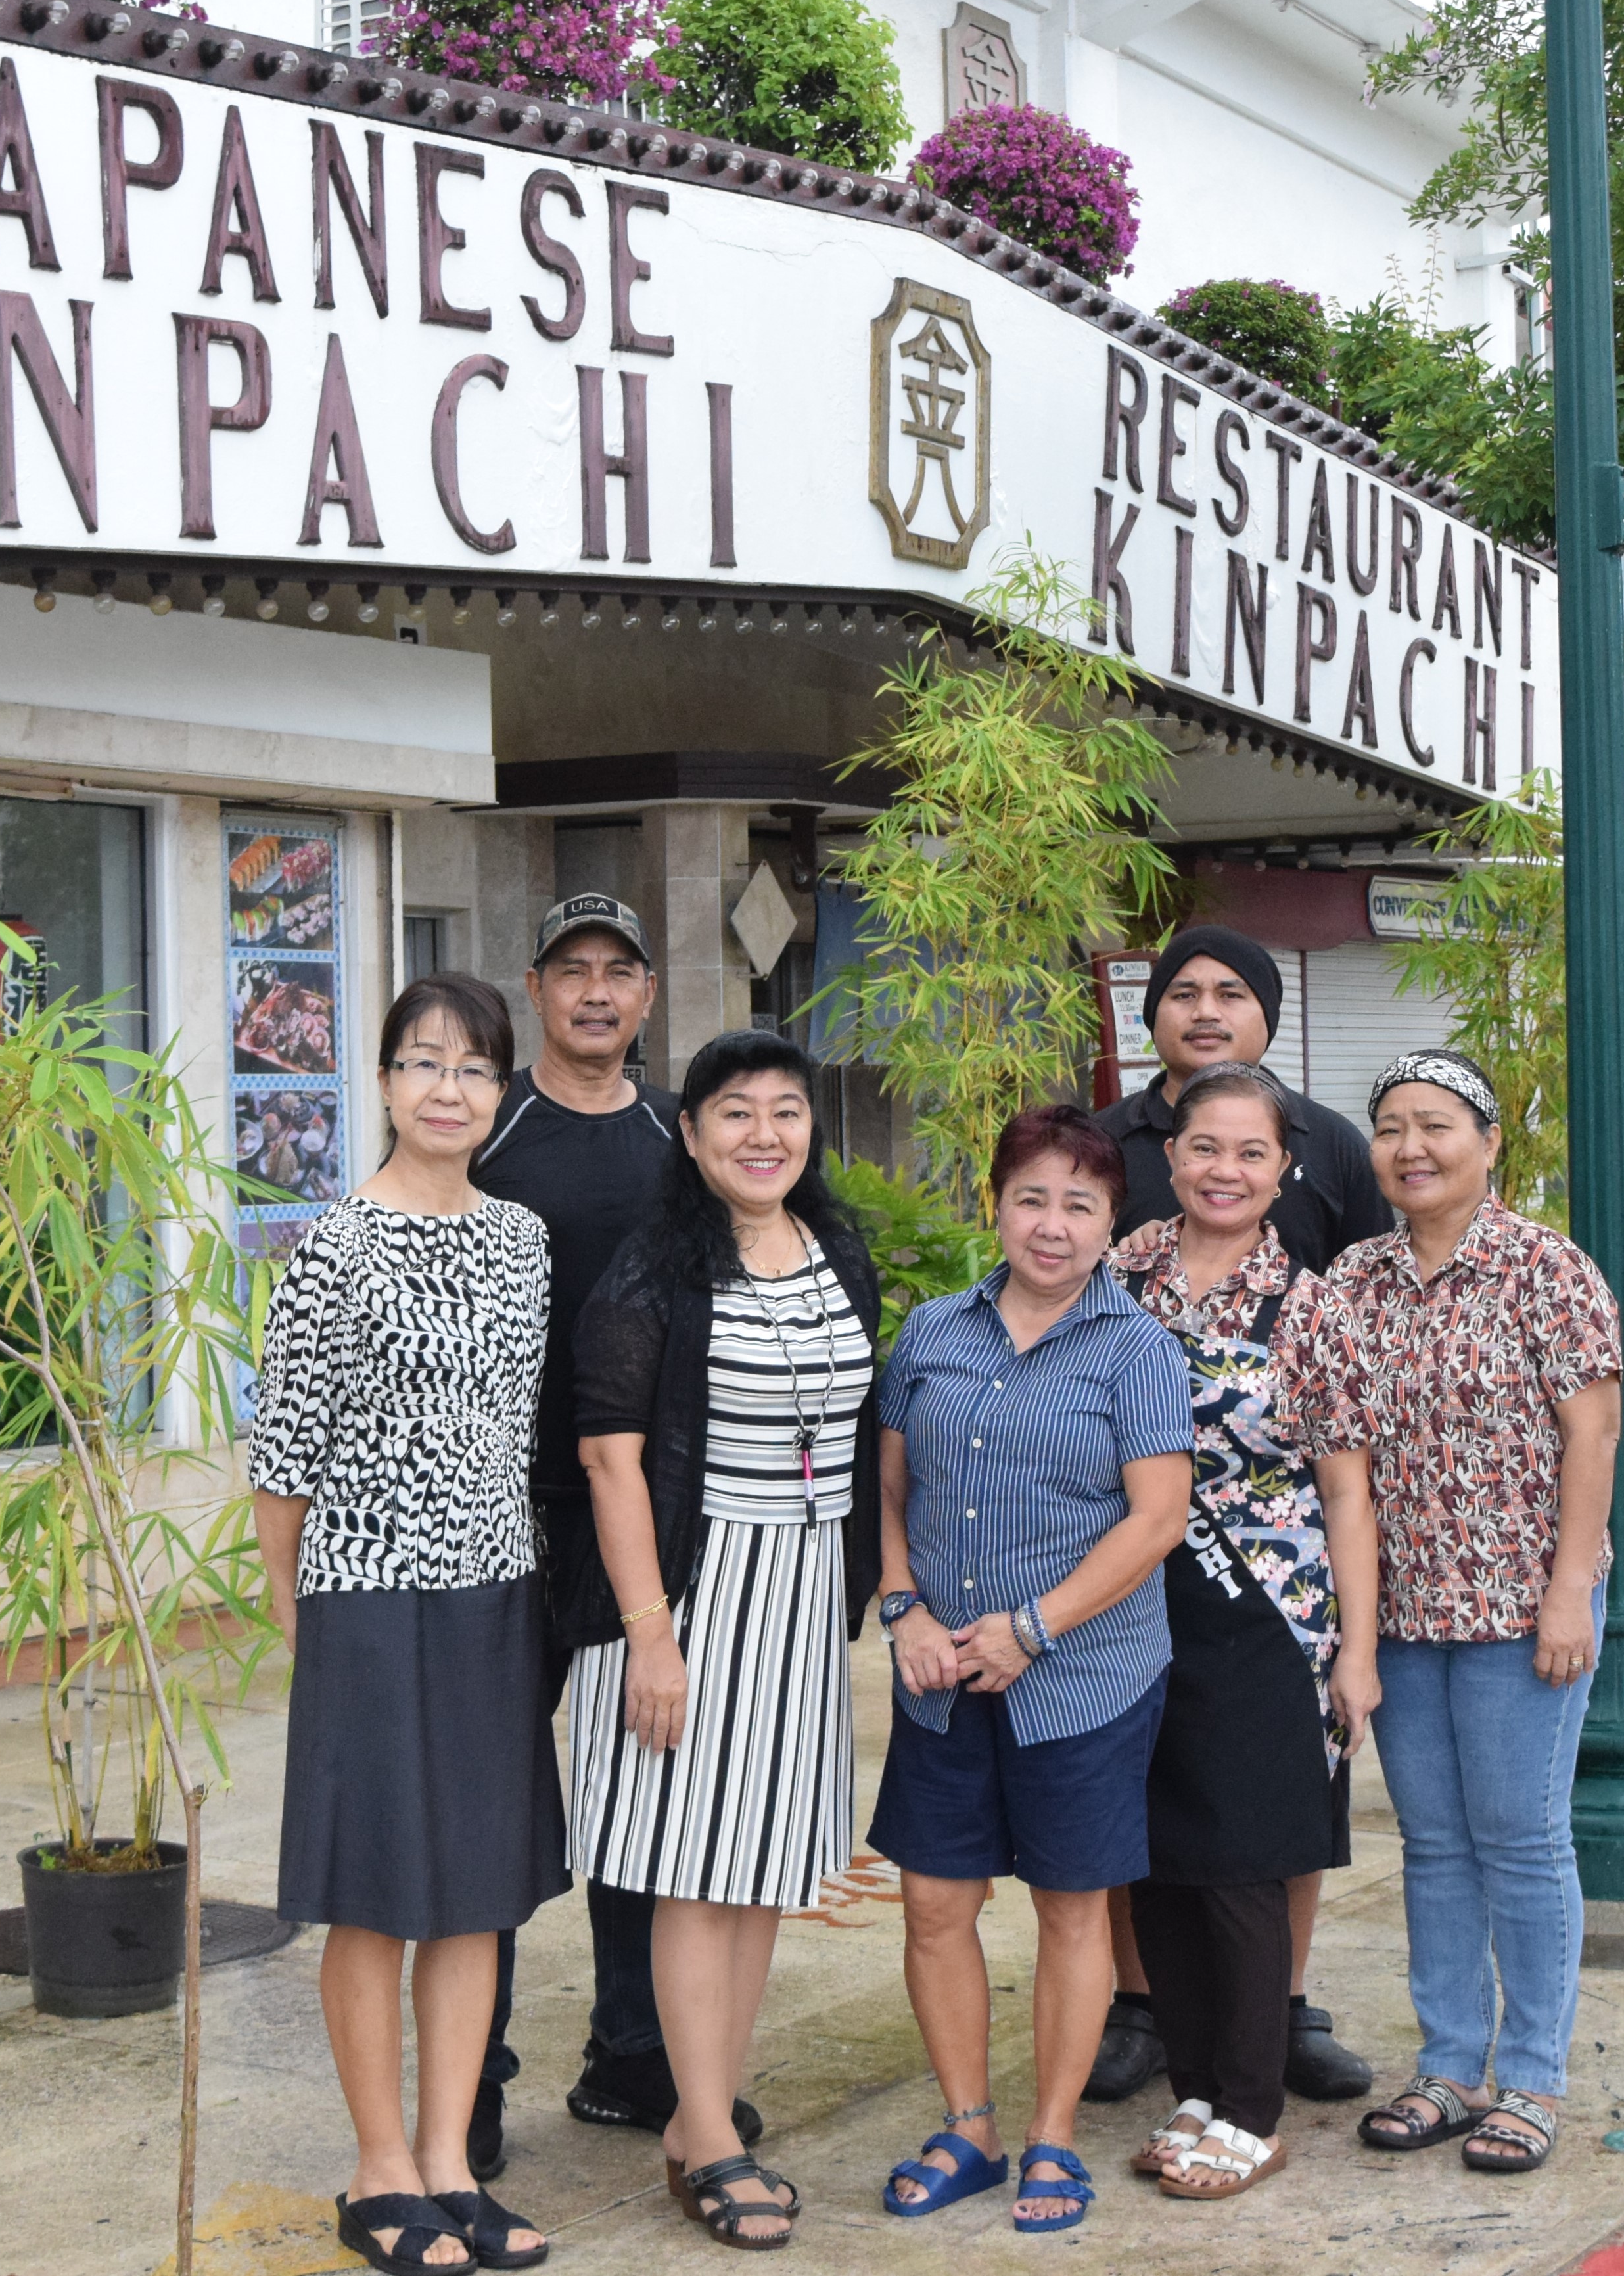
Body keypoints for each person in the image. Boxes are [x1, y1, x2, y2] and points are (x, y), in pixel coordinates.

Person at [250, 975, 565, 2275]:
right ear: (381, 1083)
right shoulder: (333, 1244)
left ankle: (449, 2161)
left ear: (501, 1093)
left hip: (495, 1592)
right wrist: (298, 1620)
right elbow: (284, 1455)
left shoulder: (525, 1239)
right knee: (375, 1894)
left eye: (477, 1068)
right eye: (426, 1062)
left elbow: (519, 1428)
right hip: (367, 1597)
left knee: (477, 1896)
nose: (451, 1088)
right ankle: (379, 2166)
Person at [568, 1030, 886, 2249]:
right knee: (694, 1868)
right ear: (690, 1134)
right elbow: (611, 1459)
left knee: (760, 1870)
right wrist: (650, 1634)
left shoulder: (834, 1249)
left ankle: (702, 2117)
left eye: (786, 1111)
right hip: (693, 1597)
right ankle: (707, 2129)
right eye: (735, 1113)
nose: (765, 1134)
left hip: (802, 1593)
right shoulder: (656, 1266)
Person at [465, 896, 762, 2178]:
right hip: (507, 1508)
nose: (596, 991)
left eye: (619, 973)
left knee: (648, 1785)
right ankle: (470, 2077)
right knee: (488, 1791)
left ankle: (634, 2054)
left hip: (645, 1509)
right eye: (572, 970)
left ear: (647, 997)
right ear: (535, 988)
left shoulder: (674, 1134)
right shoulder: (493, 1129)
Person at [866, 1104, 1194, 2235]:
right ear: (994, 1203)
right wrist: (902, 1604)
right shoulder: (931, 1333)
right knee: (932, 1902)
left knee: (1071, 1906)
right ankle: (969, 2124)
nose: (1050, 1226)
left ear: (1113, 1223)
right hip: (939, 1667)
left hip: (1084, 1675)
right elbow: (891, 1487)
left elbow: (1155, 1521)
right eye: (1030, 1197)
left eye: (1079, 1204)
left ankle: (1053, 2134)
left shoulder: (1138, 1348)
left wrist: (1029, 1629)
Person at [1089, 922, 1391, 2104]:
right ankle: (1171, 2043)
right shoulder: (1120, 1272)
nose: (1223, 1168)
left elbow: (1346, 1487)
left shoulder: (1314, 1303)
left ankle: (1253, 2074)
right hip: (1125, 1581)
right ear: (1170, 1155)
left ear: (1283, 1167)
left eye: (1248, 1152)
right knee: (1153, 1825)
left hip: (1269, 1594)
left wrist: (1357, 1649)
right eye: (1201, 1147)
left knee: (1263, 1833)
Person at [1323, 1048, 1623, 2179]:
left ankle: (1532, 2075)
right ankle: (1449, 2063)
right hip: (1401, 1611)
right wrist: (1356, 1639)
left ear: (1488, 1142)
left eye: (1437, 1124)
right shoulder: (1353, 1280)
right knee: (1434, 1844)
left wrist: (1567, 1589)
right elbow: (1342, 1467)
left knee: (1523, 1839)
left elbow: (1591, 1435)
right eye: (1391, 1125)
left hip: (1517, 1608)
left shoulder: (1545, 1268)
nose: (1412, 1146)